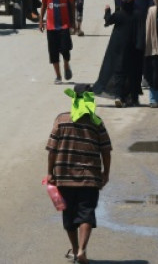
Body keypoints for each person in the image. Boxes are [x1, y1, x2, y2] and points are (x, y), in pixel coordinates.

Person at [46, 85, 112, 264]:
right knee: (86, 214)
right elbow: (106, 150)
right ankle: (82, 249)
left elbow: (52, 149)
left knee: (68, 216)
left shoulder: (61, 119)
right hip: (89, 177)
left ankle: (75, 250)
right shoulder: (96, 122)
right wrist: (105, 173)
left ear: (73, 98)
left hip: (64, 177)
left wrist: (50, 172)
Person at [93, 0, 145, 108]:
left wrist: (107, 11)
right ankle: (133, 98)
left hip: (118, 49)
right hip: (133, 48)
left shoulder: (119, 14)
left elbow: (108, 21)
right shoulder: (138, 15)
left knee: (118, 72)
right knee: (132, 72)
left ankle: (118, 96)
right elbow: (141, 31)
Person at [40, 0, 75, 84]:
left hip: (64, 25)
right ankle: (58, 76)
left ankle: (66, 65)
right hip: (51, 27)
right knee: (53, 52)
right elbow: (44, 6)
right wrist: (41, 21)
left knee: (65, 49)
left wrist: (73, 22)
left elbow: (72, 6)